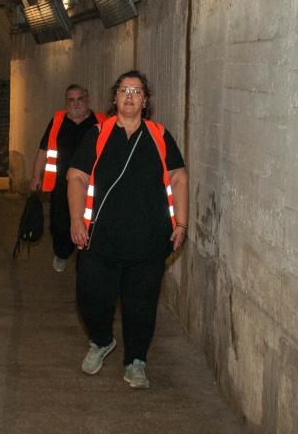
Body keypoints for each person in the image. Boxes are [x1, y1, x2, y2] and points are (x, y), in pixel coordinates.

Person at [65, 70, 188, 389]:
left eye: (136, 91)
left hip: (148, 241)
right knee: (90, 296)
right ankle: (102, 340)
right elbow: (76, 176)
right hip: (100, 238)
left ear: (145, 100)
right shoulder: (99, 134)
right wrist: (77, 219)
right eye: (124, 90)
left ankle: (136, 361)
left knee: (141, 304)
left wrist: (182, 222)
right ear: (114, 98)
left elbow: (178, 177)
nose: (130, 96)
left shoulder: (160, 136)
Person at [30, 84, 106, 272]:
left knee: (91, 223)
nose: (76, 103)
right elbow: (43, 150)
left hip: (92, 186)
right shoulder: (57, 121)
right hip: (61, 186)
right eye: (71, 100)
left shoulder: (102, 122)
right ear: (66, 102)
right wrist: (35, 176)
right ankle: (62, 253)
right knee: (60, 224)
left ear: (87, 99)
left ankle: (86, 260)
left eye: (80, 99)